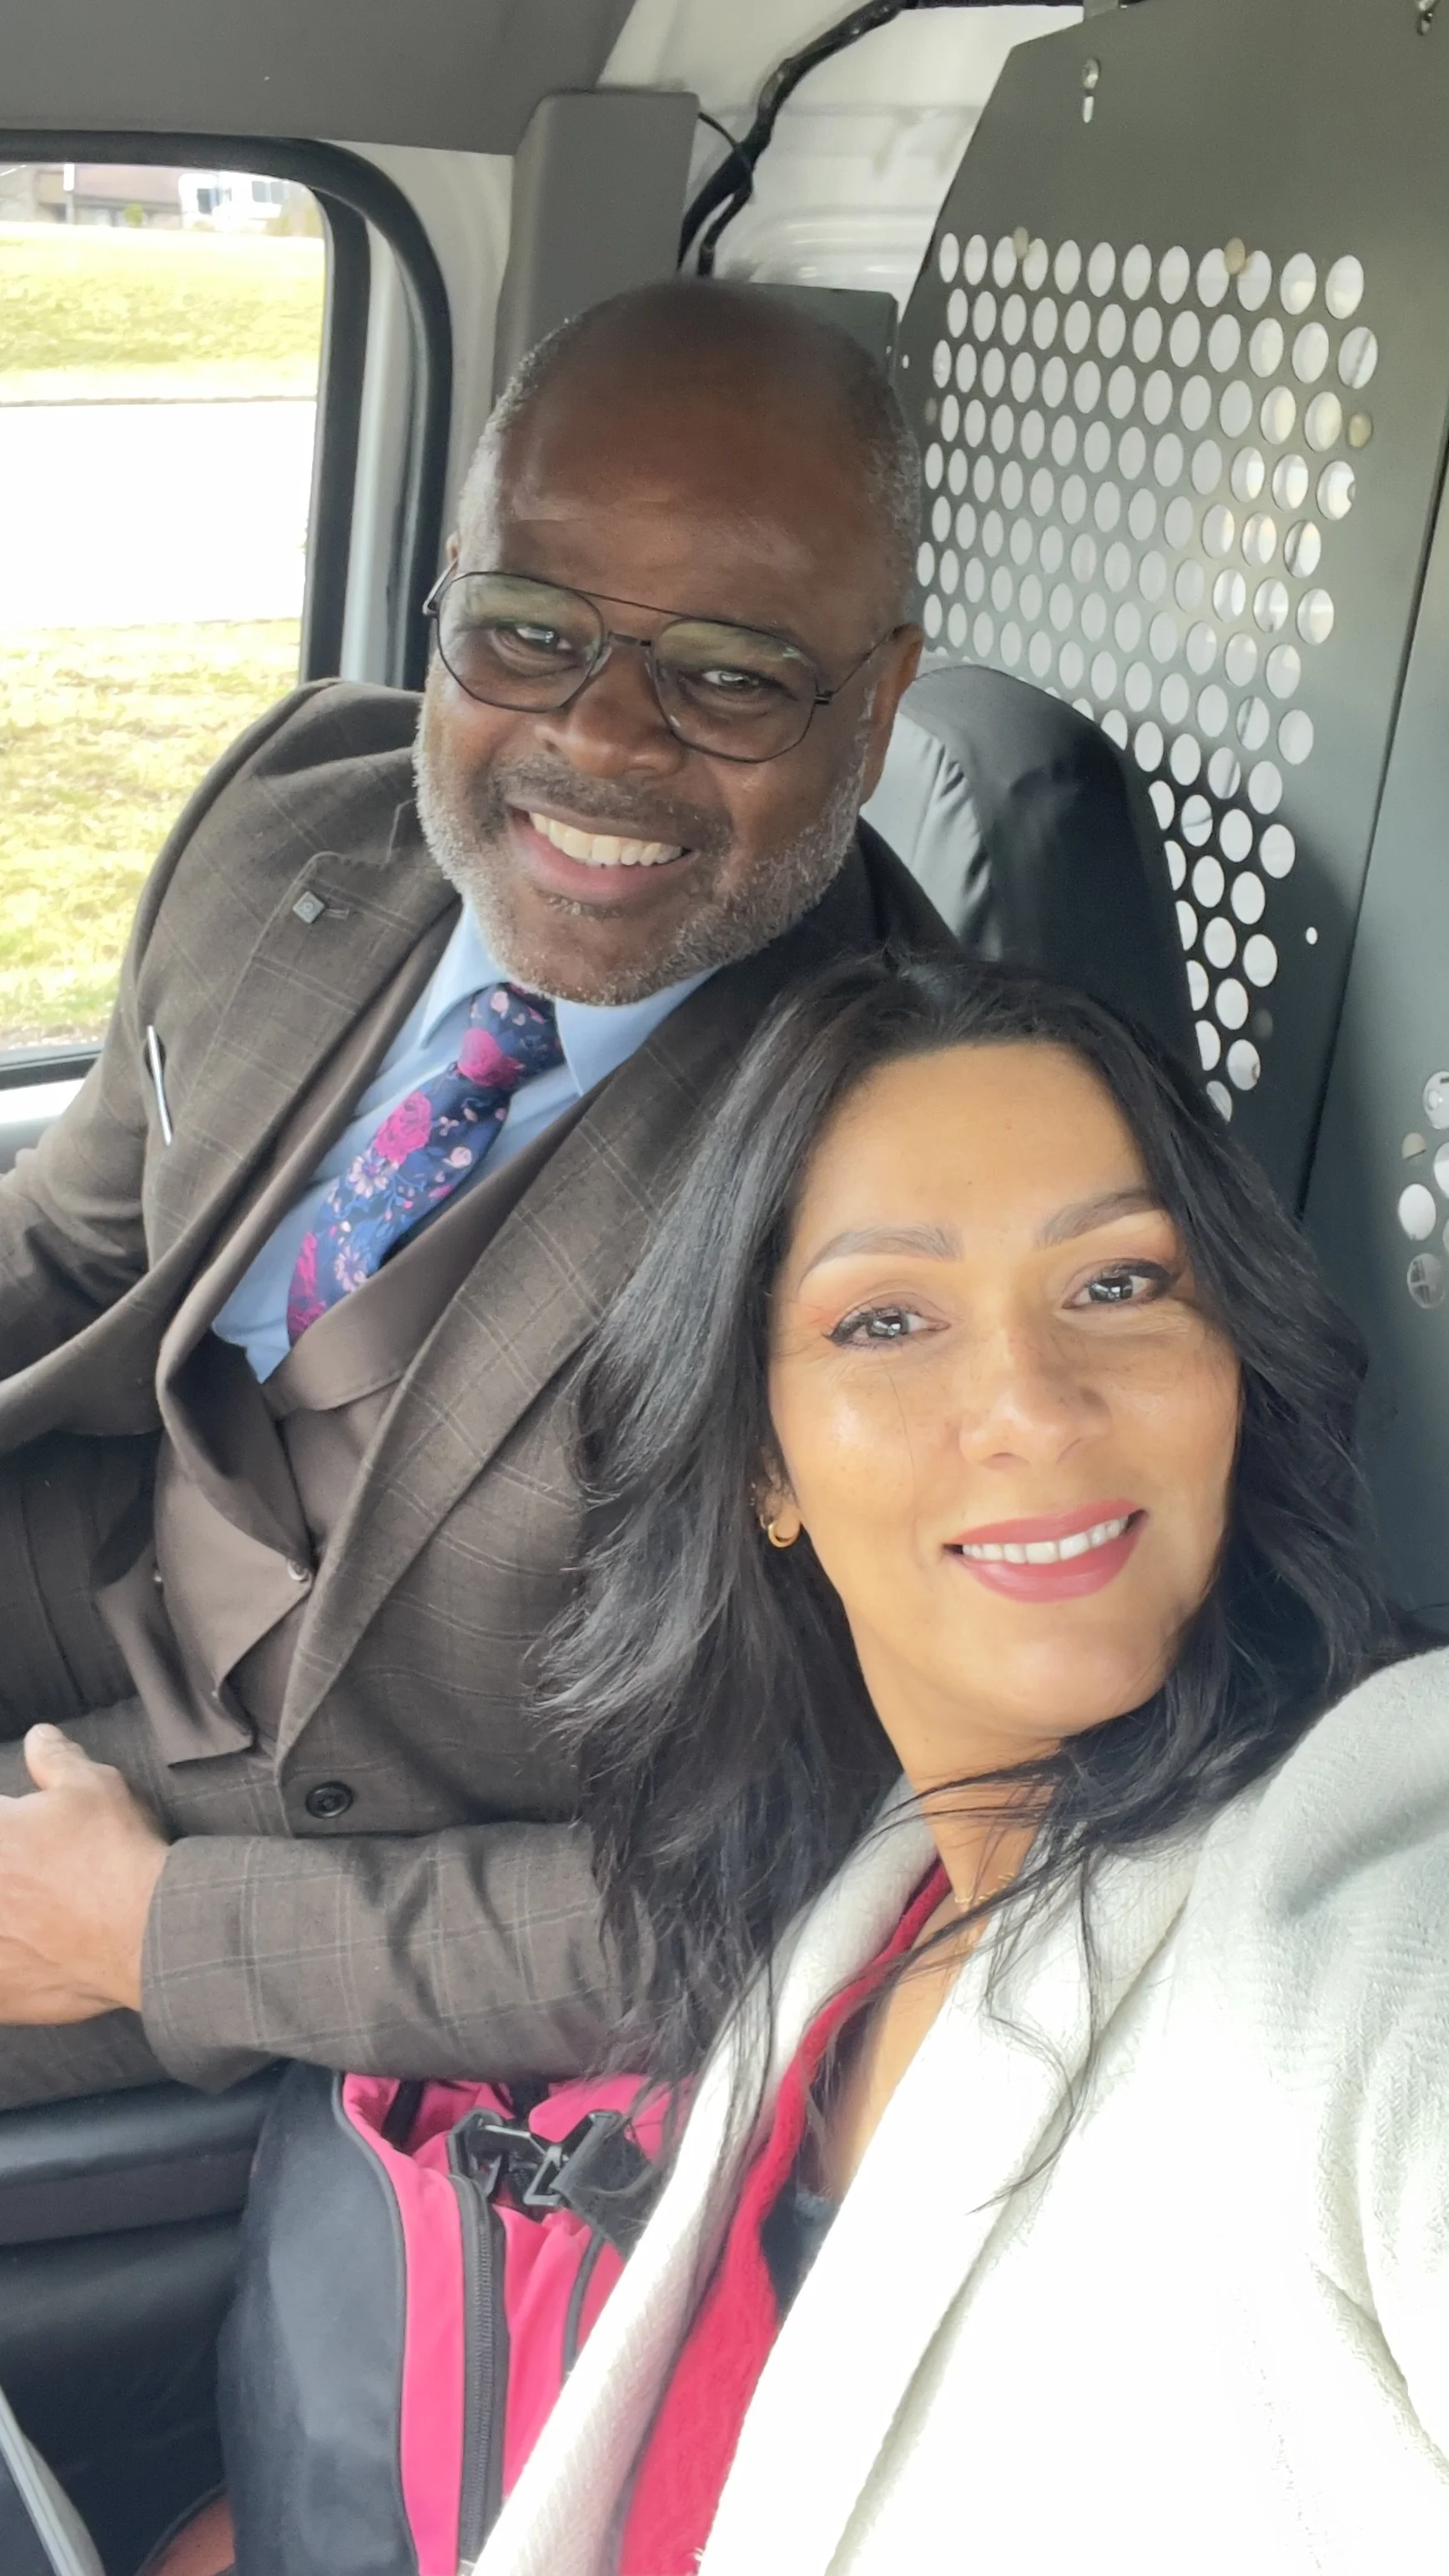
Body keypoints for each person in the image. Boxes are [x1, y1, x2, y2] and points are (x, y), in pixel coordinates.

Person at [0, 279, 948, 2110]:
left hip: (316, 1838)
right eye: (526, 630)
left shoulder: (918, 1164)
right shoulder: (293, 813)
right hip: (83, 1543)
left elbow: (761, 1891)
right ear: (447, 598)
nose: (604, 736)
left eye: (733, 672)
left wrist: (162, 1932)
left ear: (880, 694)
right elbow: (72, 1241)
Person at [448, 951, 1441, 2575]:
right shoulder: (863, 1893)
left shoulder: (1372, 1899)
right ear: (762, 1460)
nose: (1032, 1410)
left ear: (1235, 1368)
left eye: (1118, 1283)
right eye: (889, 1320)